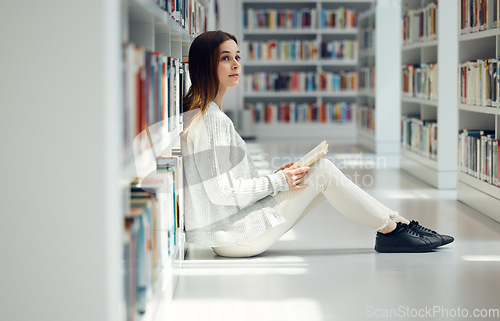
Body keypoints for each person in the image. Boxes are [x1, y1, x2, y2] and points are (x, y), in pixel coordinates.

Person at [180, 30, 453, 258]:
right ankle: (394, 230)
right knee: (323, 171)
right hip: (236, 237)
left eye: (237, 56)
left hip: (232, 231)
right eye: (225, 58)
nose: (236, 64)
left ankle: (397, 225)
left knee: (319, 173)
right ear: (206, 64)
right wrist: (279, 182)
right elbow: (223, 192)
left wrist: (277, 177)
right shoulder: (211, 121)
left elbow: (226, 183)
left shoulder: (207, 116)